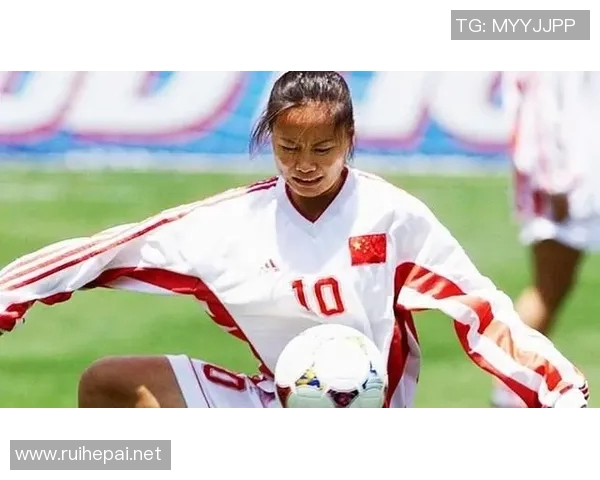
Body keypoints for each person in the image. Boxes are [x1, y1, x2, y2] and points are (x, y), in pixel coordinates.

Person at [0, 71, 589, 408]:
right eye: (288, 148)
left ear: (350, 140)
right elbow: (110, 249)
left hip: (371, 423)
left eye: (322, 149)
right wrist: (11, 293)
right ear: (269, 140)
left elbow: (480, 311)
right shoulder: (231, 224)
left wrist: (559, 391)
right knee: (107, 383)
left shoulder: (391, 217)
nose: (304, 164)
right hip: (272, 405)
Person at [490, 71, 598, 408]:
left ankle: (511, 388)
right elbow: (539, 111)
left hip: (575, 177)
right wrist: (556, 180)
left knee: (553, 288)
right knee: (549, 288)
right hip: (567, 185)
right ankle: (509, 389)